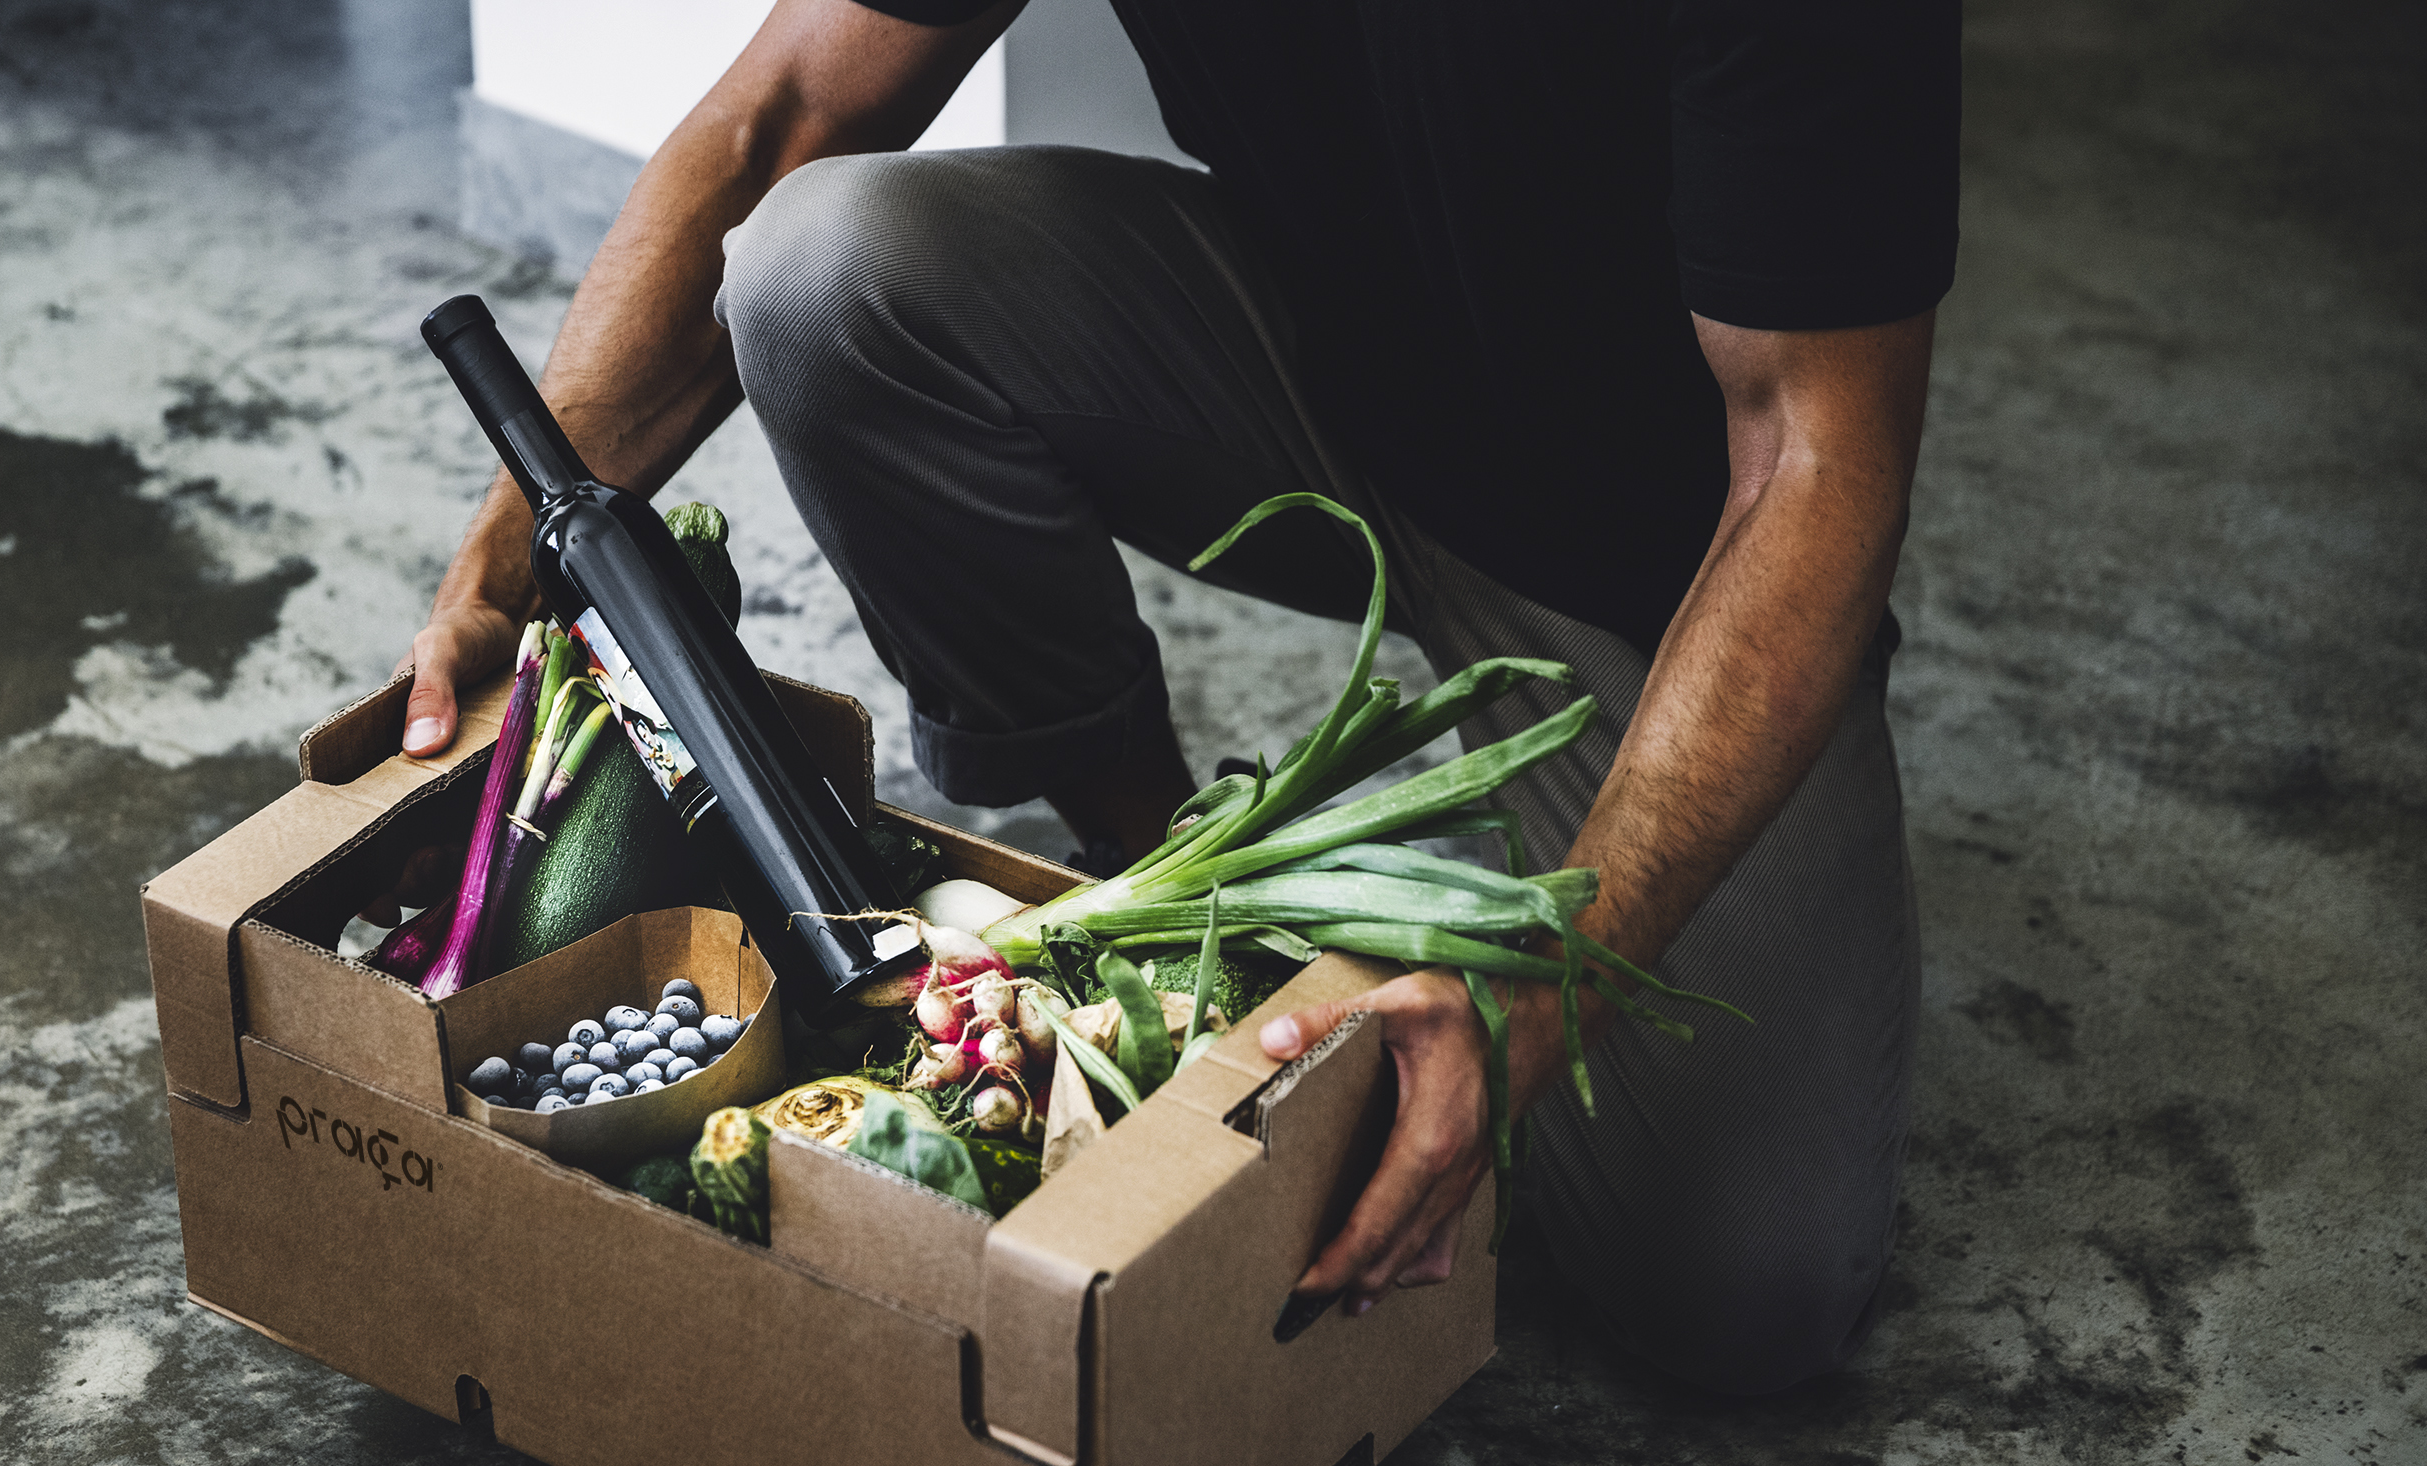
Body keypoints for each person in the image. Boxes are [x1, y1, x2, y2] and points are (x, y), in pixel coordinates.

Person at [395, 0, 1959, 1394]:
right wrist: (503, 561)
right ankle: (1178, 900)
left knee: (1739, 1298)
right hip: (1322, 368)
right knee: (824, 268)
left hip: (1658, 552)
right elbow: (790, 110)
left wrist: (1546, 992)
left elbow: (1818, 466)